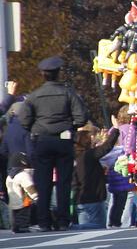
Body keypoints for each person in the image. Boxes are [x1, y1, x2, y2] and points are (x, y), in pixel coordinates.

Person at [20, 56, 88, 231]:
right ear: (58, 73)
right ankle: (63, 220)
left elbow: (24, 120)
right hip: (63, 140)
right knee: (64, 183)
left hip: (42, 140)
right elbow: (81, 117)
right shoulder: (68, 93)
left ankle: (44, 221)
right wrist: (69, 126)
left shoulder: (34, 96)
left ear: (43, 74)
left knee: (43, 182)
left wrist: (37, 128)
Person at [71, 124, 120, 229]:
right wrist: (115, 129)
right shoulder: (89, 155)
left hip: (80, 199)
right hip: (94, 198)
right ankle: (72, 228)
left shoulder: (75, 157)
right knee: (99, 226)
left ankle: (74, 228)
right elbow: (106, 147)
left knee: (84, 228)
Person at [6, 152, 38, 233]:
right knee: (24, 215)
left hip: (13, 202)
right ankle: (23, 227)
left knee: (15, 215)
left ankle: (15, 227)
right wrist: (35, 197)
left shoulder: (9, 177)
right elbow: (29, 187)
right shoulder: (23, 175)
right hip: (24, 201)